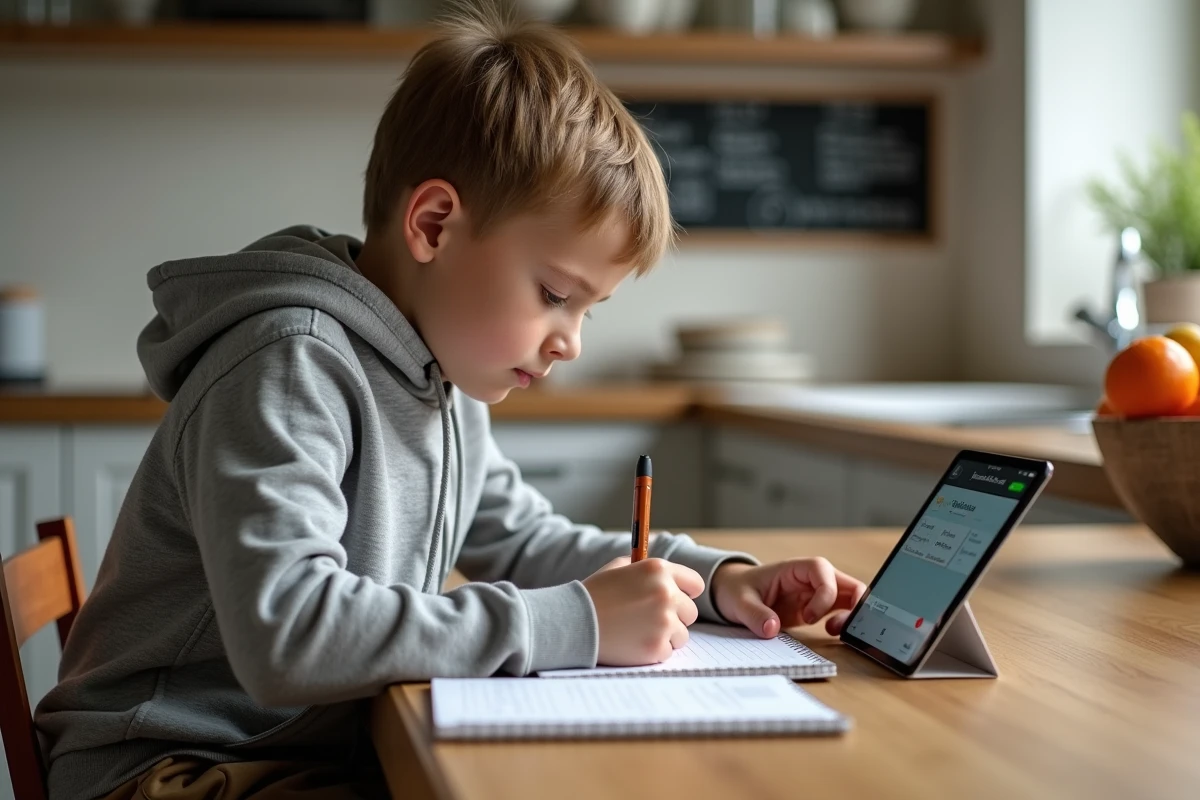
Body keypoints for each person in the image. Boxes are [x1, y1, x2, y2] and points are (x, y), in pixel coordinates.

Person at [34, 6, 866, 799]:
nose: (570, 341)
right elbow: (288, 633)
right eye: (554, 294)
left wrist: (716, 581)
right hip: (172, 769)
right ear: (433, 224)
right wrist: (573, 622)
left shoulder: (442, 379)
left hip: (290, 754)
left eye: (589, 310)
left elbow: (527, 541)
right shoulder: (289, 365)